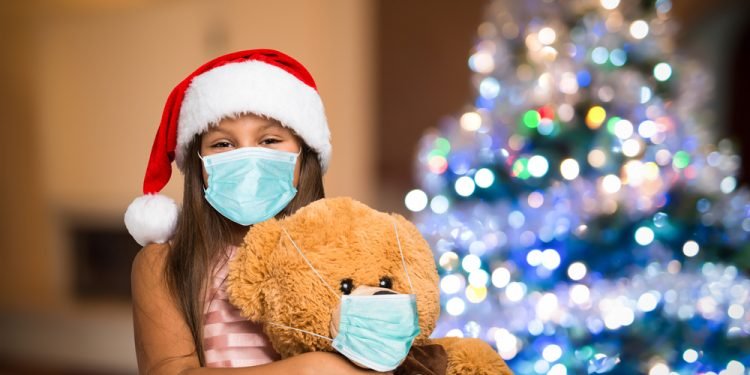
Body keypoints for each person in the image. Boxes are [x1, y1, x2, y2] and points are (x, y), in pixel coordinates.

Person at [127, 49, 389, 374]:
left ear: (303, 156)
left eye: (269, 140)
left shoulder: (342, 255)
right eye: (222, 144)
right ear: (198, 163)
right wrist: (310, 370)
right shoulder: (164, 263)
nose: (248, 158)